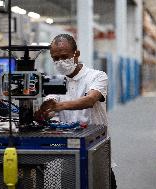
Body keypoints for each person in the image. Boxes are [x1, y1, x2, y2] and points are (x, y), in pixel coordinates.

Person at [34, 34, 117, 188]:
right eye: (55, 58)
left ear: (76, 54)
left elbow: (90, 100)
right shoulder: (56, 82)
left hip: (96, 150)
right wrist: (43, 111)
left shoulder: (97, 76)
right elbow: (50, 103)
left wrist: (59, 106)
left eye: (64, 56)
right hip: (68, 155)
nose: (60, 62)